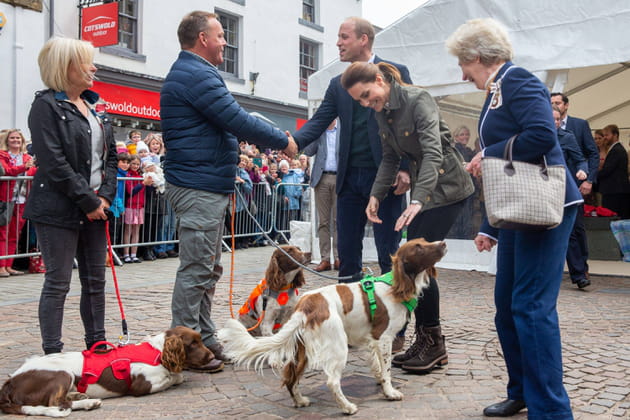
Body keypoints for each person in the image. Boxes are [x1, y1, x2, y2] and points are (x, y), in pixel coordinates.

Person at [446, 18, 582, 419]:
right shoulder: (499, 90)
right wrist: (490, 225)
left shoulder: (519, 79)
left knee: (531, 307)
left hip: (549, 209)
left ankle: (552, 411)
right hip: (519, 213)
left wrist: (487, 153)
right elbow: (510, 169)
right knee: (507, 307)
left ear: (476, 55)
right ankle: (521, 391)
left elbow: (542, 136)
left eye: (462, 63)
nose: (462, 73)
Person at [160, 10, 296, 372]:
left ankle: (203, 339)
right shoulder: (196, 74)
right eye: (220, 35)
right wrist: (283, 140)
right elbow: (235, 118)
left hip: (203, 183)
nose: (225, 42)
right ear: (202, 38)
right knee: (197, 269)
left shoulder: (196, 73)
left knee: (207, 268)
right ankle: (184, 347)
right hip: (197, 184)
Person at [341, 61, 474, 373]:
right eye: (359, 100)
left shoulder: (418, 100)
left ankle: (434, 343)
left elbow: (432, 154)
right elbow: (390, 157)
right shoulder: (382, 109)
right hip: (425, 192)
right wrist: (376, 194)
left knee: (417, 263)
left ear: (379, 79)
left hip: (448, 188)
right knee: (412, 263)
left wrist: (417, 199)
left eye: (367, 95)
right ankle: (425, 340)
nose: (365, 103)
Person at [293, 16, 411, 282]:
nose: (338, 43)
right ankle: (351, 318)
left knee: (389, 256)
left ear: (363, 39)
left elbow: (408, 124)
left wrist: (405, 169)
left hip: (386, 179)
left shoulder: (395, 73)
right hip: (349, 181)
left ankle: (393, 322)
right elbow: (319, 121)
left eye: (344, 37)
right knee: (347, 257)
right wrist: (291, 143)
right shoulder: (337, 84)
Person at [24, 37, 118, 354]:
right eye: (86, 61)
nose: (93, 67)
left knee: (95, 281)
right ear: (66, 67)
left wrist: (104, 198)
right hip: (57, 208)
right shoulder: (45, 106)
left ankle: (98, 341)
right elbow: (53, 162)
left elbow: (112, 160)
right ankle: (53, 351)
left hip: (94, 208)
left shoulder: (95, 107)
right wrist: (88, 201)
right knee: (58, 282)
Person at [551, 92, 599, 289]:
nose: (554, 121)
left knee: (573, 230)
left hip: (567, 189)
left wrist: (585, 174)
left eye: (557, 105)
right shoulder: (534, 135)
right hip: (542, 191)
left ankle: (579, 272)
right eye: (551, 105)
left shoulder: (571, 133)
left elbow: (585, 157)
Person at [303, 119, 340, 272]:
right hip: (322, 178)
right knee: (323, 221)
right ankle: (325, 258)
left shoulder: (343, 129)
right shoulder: (320, 131)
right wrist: (316, 131)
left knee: (339, 220)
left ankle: (338, 257)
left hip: (340, 178)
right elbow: (308, 151)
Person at [0, 129, 37, 277]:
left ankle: (9, 265)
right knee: (3, 233)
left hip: (22, 199)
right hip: (5, 199)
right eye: (12, 138)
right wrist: (24, 167)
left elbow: (33, 172)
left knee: (15, 234)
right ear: (7, 140)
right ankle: (1, 266)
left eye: (18, 138)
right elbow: (7, 171)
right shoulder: (3, 155)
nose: (16, 140)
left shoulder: (27, 157)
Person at [597, 124, 630, 219]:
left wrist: (591, 176)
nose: (605, 138)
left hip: (615, 192)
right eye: (604, 136)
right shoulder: (615, 149)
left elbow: (607, 170)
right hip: (614, 191)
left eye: (607, 135)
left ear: (615, 135)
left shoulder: (617, 150)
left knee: (612, 219)